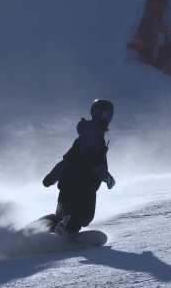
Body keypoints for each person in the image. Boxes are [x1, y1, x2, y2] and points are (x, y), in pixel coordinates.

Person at [41, 99, 116, 235]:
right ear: (97, 114)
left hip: (68, 185)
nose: (109, 119)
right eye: (106, 115)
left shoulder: (86, 135)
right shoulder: (94, 136)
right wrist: (108, 178)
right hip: (82, 187)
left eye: (111, 115)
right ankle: (64, 234)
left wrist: (52, 177)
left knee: (62, 215)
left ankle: (38, 229)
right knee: (82, 216)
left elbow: (67, 161)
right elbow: (94, 163)